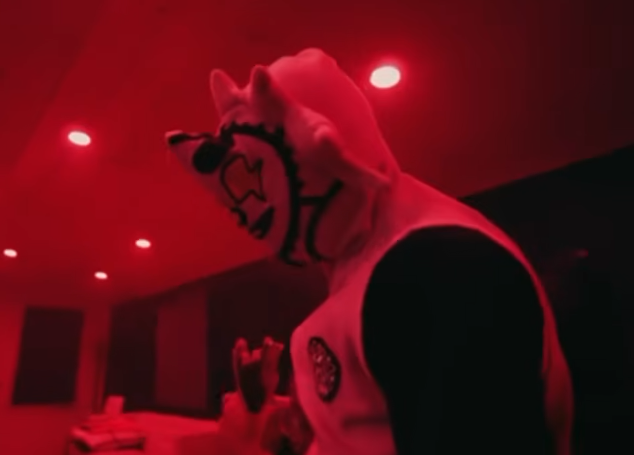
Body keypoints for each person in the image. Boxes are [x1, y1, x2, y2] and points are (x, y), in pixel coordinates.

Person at [165, 48, 573, 455]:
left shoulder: (438, 270)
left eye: (250, 178)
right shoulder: (372, 261)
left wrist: (244, 449)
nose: (244, 214)